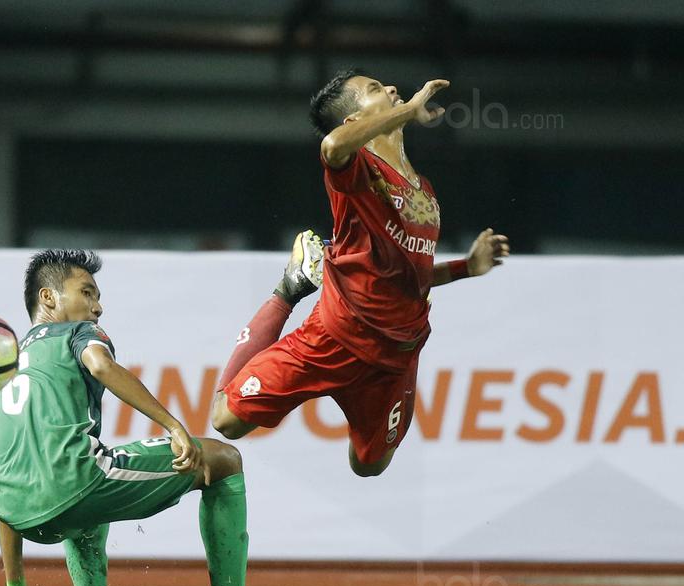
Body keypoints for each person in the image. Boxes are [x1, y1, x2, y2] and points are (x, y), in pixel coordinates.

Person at [0, 249, 300, 586]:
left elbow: (3, 481)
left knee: (84, 475)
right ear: (49, 298)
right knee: (222, 460)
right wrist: (172, 425)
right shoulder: (77, 332)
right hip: (75, 487)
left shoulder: (0, 367)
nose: (98, 307)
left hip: (24, 515)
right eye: (87, 292)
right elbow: (100, 366)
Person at [210, 71, 510, 476]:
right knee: (226, 421)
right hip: (333, 339)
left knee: (369, 466)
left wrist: (465, 268)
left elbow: (404, 276)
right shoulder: (358, 169)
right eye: (375, 90)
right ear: (353, 121)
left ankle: (323, 277)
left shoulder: (424, 189)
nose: (390, 88)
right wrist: (408, 108)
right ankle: (288, 288)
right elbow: (331, 146)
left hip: (394, 359)